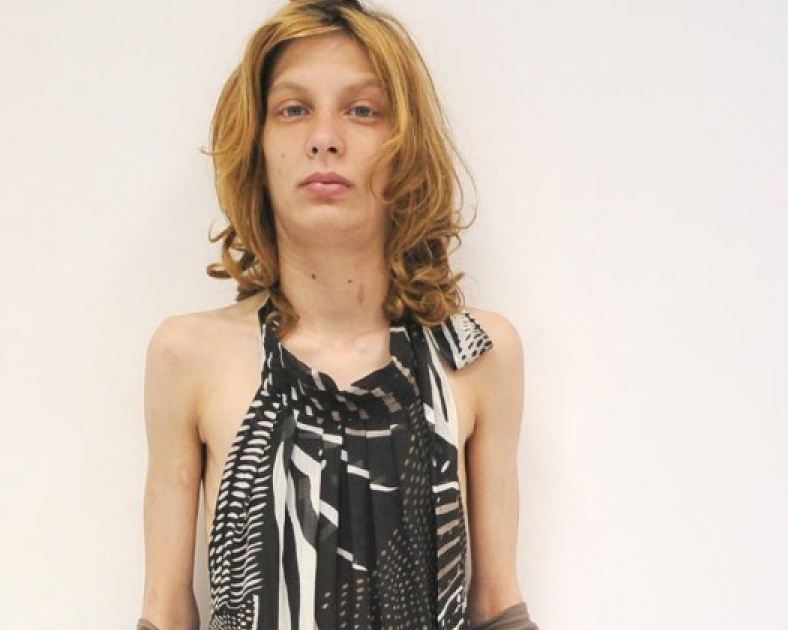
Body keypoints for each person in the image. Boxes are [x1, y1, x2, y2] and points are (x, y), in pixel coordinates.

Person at [139, 1, 538, 628]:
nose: (324, 138)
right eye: (293, 109)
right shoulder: (188, 356)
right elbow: (164, 611)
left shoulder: (477, 355)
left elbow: (497, 605)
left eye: (362, 110)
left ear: (404, 146)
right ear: (257, 146)